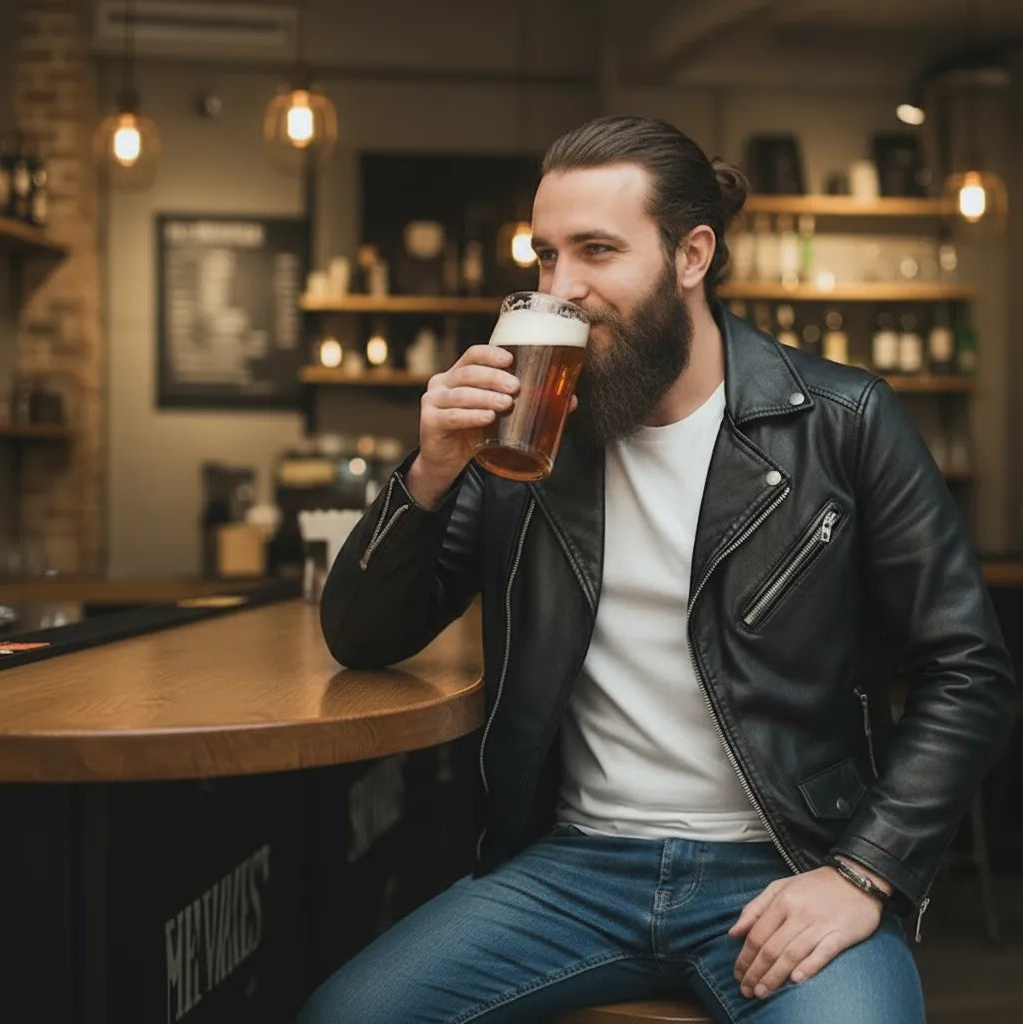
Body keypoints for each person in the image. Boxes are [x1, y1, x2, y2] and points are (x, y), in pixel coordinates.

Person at [301, 116, 1016, 1024]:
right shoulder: (527, 446)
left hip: (788, 863)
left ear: (692, 255)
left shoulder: (842, 421)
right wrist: (431, 471)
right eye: (545, 257)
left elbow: (970, 673)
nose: (562, 290)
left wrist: (862, 870)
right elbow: (366, 637)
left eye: (596, 251)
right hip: (572, 868)